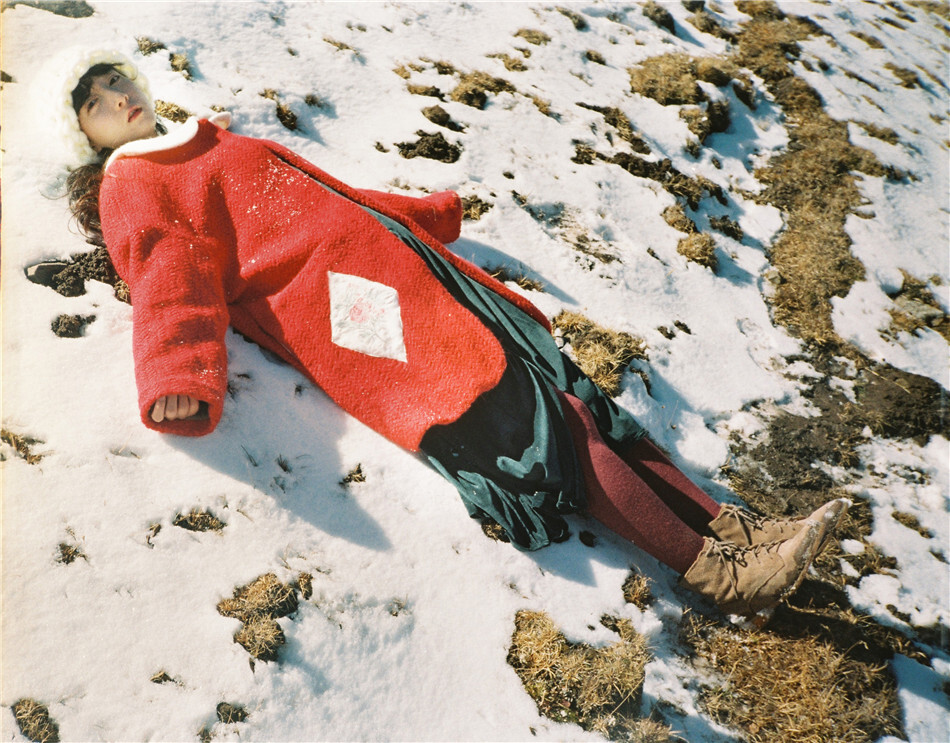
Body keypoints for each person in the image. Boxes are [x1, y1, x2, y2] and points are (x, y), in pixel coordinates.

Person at [41, 47, 848, 619]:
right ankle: (721, 576)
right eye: (95, 99)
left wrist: (427, 216)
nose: (119, 96)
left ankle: (740, 529)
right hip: (360, 320)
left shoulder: (207, 141)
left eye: (119, 79)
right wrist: (178, 375)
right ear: (82, 134)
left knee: (582, 399)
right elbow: (169, 275)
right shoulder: (132, 183)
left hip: (421, 278)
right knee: (544, 428)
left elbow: (333, 196)